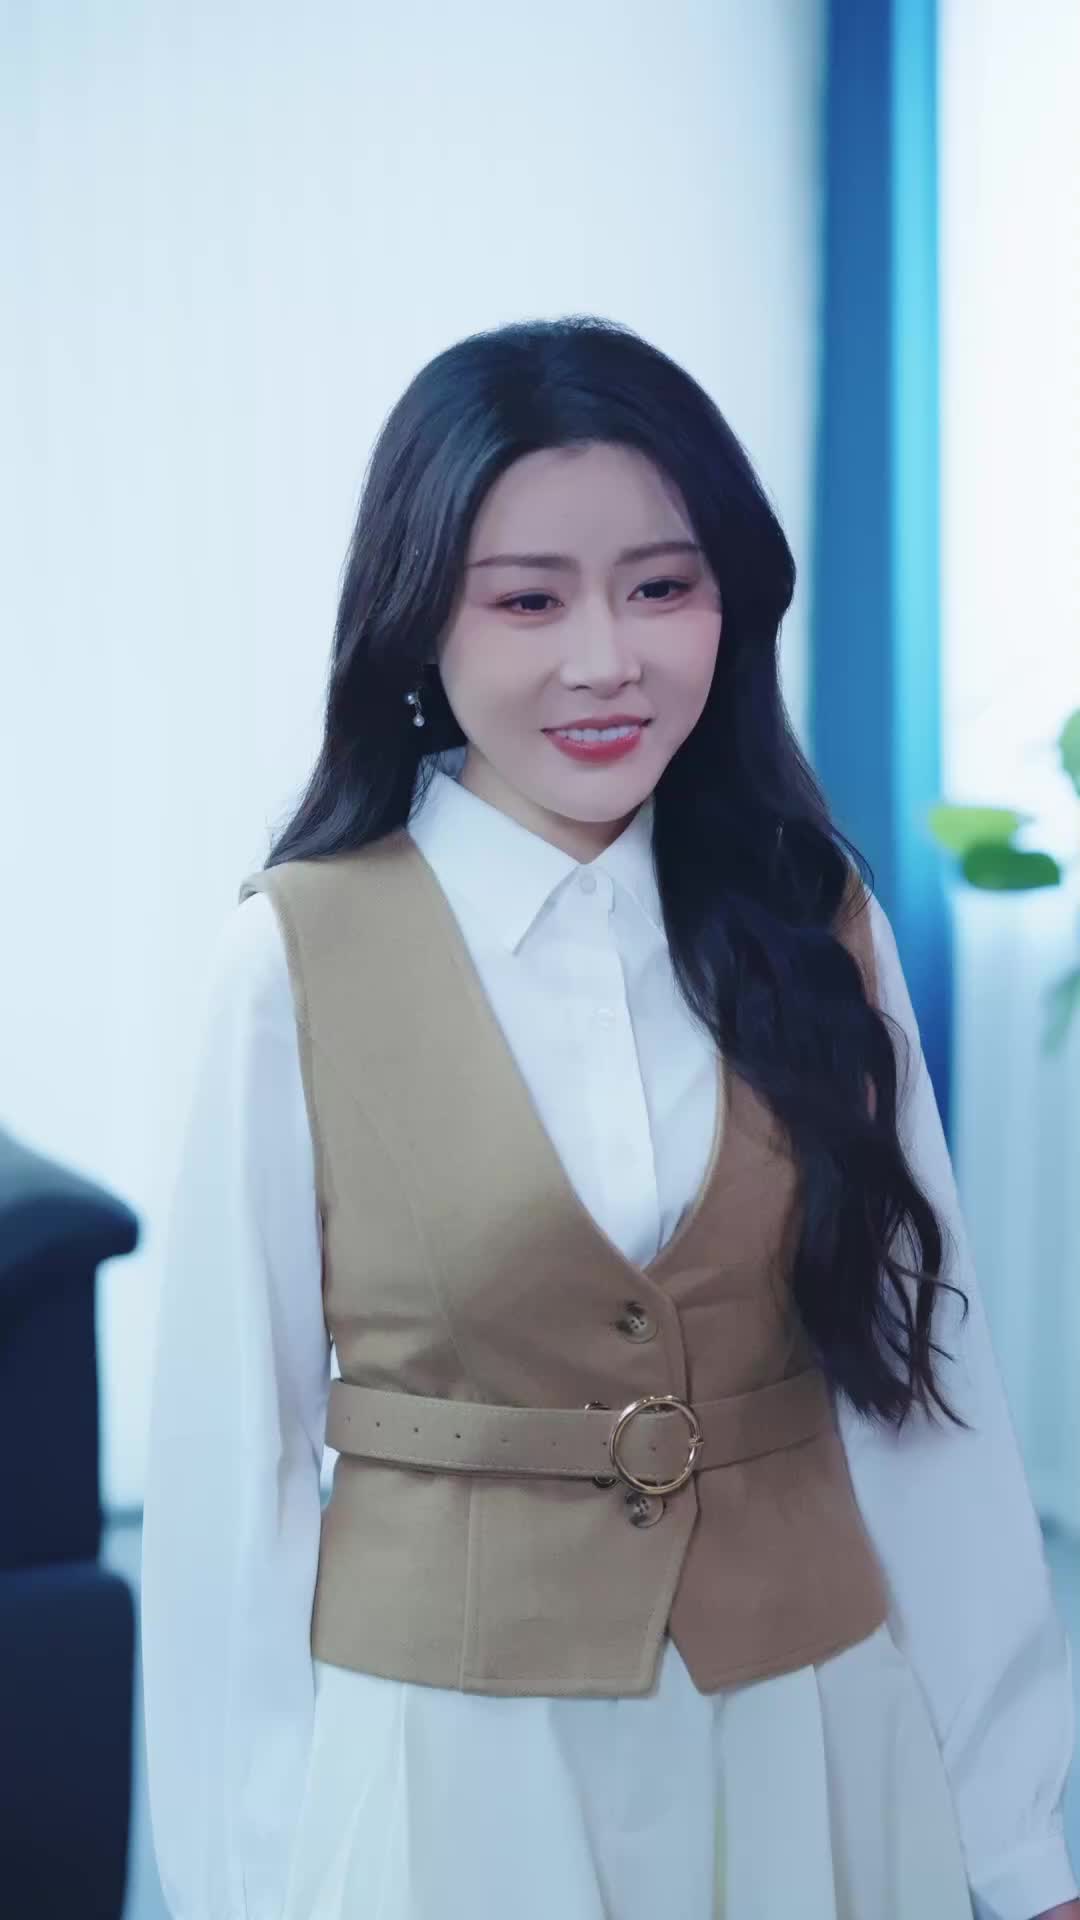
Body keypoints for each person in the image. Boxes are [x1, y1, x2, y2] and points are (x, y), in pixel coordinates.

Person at [141, 315, 1079, 1920]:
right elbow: (237, 1473)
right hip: (453, 1760)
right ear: (418, 621)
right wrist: (245, 1882)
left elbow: (926, 1390)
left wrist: (1020, 1843)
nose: (606, 660)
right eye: (528, 599)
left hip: (808, 1732)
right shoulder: (295, 956)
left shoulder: (816, 922)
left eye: (660, 587)